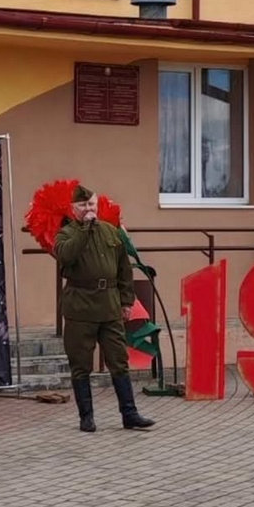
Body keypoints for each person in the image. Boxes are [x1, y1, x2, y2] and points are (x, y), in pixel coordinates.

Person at [53, 184, 156, 433]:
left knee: (118, 360)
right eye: (83, 205)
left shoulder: (111, 232)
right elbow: (66, 256)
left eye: (91, 205)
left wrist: (127, 301)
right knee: (81, 363)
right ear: (72, 209)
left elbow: (124, 269)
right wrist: (85, 229)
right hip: (80, 306)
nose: (88, 209)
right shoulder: (65, 234)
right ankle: (86, 417)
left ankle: (129, 414)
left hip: (109, 304)